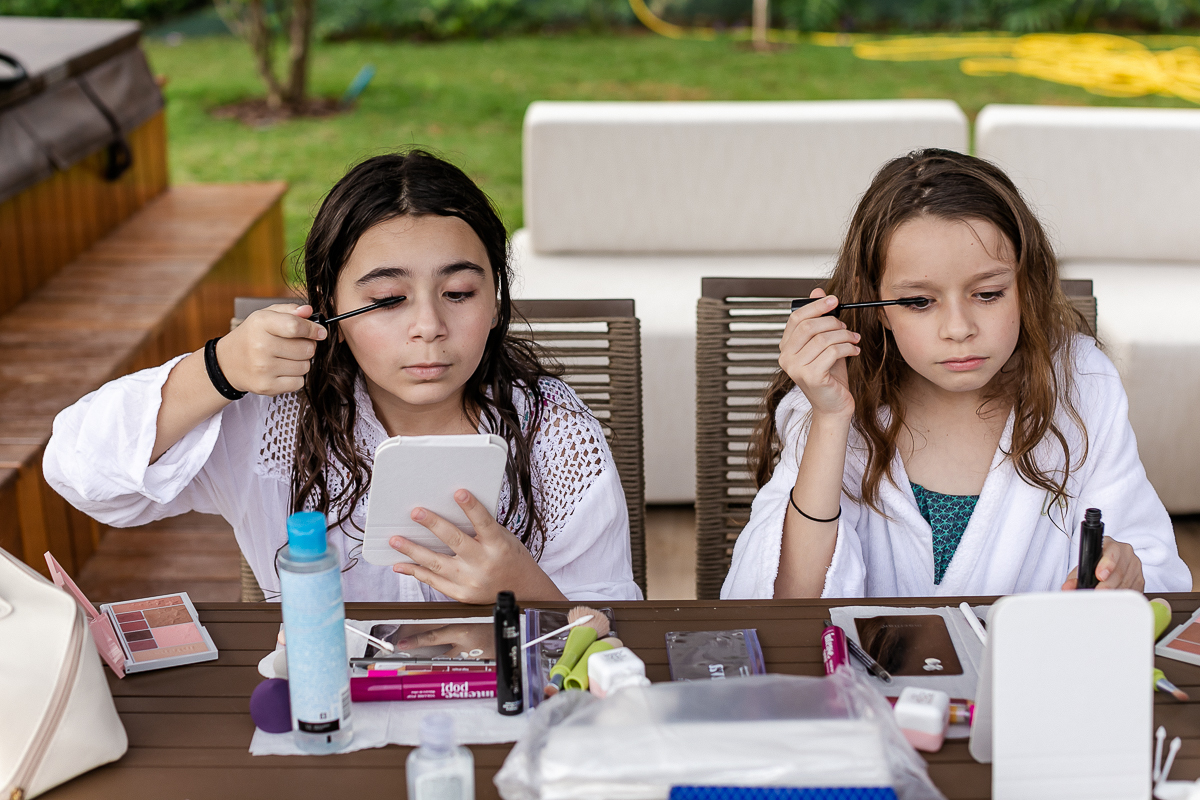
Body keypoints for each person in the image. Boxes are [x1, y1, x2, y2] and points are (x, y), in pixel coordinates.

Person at [45, 151, 641, 603]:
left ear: (496, 297)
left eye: (458, 292)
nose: (428, 326)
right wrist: (219, 369)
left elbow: (609, 625)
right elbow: (85, 478)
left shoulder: (553, 433)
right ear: (329, 300)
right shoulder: (271, 421)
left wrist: (525, 590)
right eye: (387, 299)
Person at [722, 149, 1191, 599]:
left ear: (1025, 287)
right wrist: (830, 420)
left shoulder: (1082, 384)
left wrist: (1130, 572)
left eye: (988, 294)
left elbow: (1151, 567)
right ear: (880, 309)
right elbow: (782, 602)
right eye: (919, 302)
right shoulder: (833, 397)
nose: (959, 329)